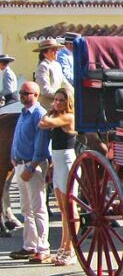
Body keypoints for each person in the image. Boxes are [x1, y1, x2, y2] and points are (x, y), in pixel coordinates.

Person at [8, 81, 51, 263]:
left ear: (36, 94)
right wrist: (13, 156)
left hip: (32, 166)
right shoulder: (24, 113)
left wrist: (31, 166)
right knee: (26, 208)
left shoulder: (38, 114)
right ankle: (29, 245)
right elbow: (18, 137)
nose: (23, 96)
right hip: (20, 164)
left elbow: (41, 145)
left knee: (38, 207)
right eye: (21, 93)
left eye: (27, 93)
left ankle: (43, 247)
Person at [38, 87, 76, 266]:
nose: (58, 103)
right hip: (58, 159)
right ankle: (63, 245)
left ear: (68, 102)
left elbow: (44, 123)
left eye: (61, 100)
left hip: (67, 160)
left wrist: (50, 112)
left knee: (70, 207)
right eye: (56, 100)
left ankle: (71, 248)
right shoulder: (55, 115)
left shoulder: (68, 117)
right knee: (62, 208)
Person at [34, 38, 68, 110]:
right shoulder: (43, 66)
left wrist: (72, 93)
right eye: (53, 50)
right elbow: (44, 89)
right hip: (48, 107)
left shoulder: (57, 65)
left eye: (56, 50)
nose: (56, 52)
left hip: (60, 105)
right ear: (44, 53)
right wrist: (61, 97)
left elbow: (64, 82)